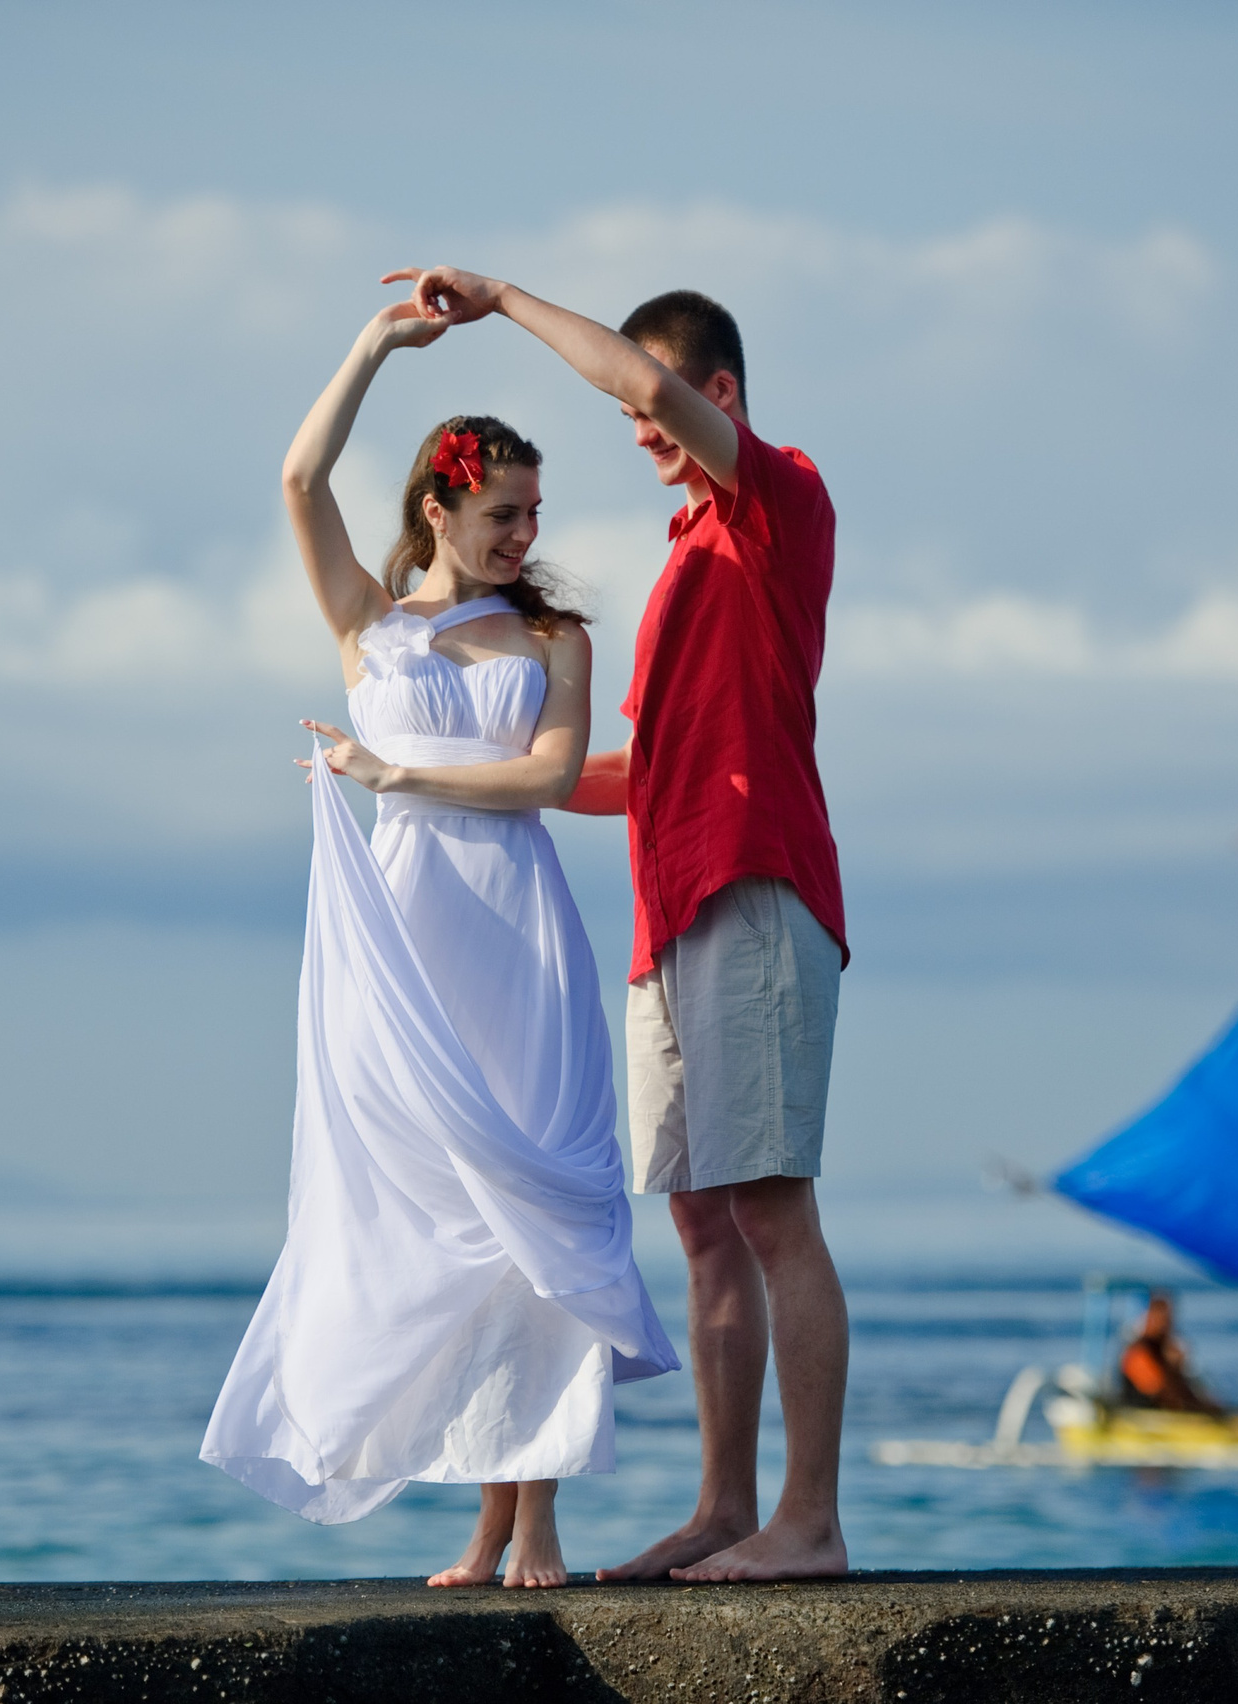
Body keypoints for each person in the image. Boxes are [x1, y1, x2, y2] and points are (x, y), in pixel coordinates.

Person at [200, 298, 679, 1589]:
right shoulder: (369, 620)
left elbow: (545, 779)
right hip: (404, 944)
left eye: (535, 512)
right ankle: (482, 1524)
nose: (528, 534)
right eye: (504, 514)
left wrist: (395, 775)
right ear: (439, 512)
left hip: (519, 938)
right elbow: (300, 478)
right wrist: (370, 347)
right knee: (440, 1216)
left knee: (538, 1212)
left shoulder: (555, 637)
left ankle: (535, 1523)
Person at [391, 267, 851, 1583]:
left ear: (718, 395)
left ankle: (806, 1525)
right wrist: (453, 780)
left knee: (774, 1212)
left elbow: (641, 381)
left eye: (659, 422)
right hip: (670, 915)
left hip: (757, 894)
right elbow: (633, 771)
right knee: (705, 1227)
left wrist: (503, 301)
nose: (642, 439)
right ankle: (724, 1509)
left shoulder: (777, 498)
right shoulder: (685, 560)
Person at [1117, 1292, 1223, 1416]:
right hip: (1145, 1419)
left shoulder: (1166, 1348)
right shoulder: (1137, 1353)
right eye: (1160, 1316)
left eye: (1168, 1317)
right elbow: (1163, 1395)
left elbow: (1186, 1394)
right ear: (1147, 1317)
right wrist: (1172, 1368)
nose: (1165, 1323)